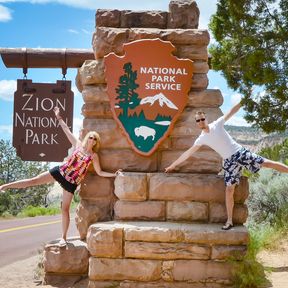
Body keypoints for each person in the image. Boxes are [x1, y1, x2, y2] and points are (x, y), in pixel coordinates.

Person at [0, 107, 123, 246]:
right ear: (87, 138)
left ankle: (63, 238)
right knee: (33, 180)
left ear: (96, 142)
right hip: (61, 172)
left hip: (71, 182)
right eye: (90, 137)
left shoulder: (94, 156)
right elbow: (66, 130)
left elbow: (100, 172)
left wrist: (114, 174)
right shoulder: (77, 145)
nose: (92, 140)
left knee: (64, 209)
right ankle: (5, 186)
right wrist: (58, 117)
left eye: (95, 139)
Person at [165, 101, 288, 230]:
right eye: (198, 120)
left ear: (206, 119)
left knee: (267, 163)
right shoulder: (201, 139)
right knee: (229, 190)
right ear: (196, 123)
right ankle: (229, 221)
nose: (201, 121)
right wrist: (173, 165)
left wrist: (243, 102)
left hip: (240, 153)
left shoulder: (217, 124)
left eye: (202, 119)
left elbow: (231, 112)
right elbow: (187, 153)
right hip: (229, 162)